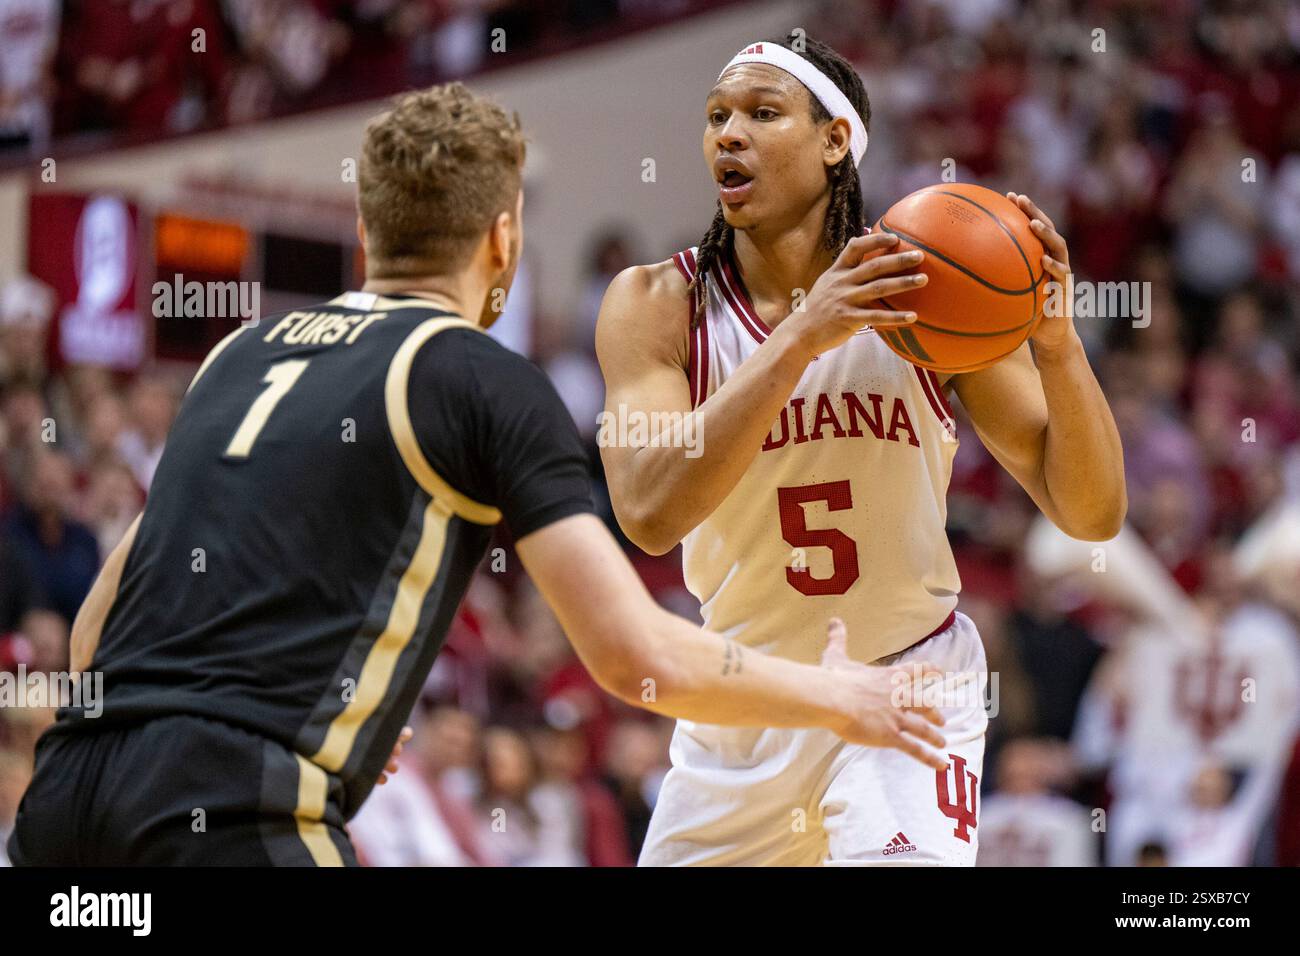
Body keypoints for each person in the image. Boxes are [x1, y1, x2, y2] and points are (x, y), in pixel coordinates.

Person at [7, 81, 946, 867]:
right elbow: (635, 658)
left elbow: (100, 623)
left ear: (367, 236)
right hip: (224, 816)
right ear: (503, 238)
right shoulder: (482, 381)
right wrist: (842, 697)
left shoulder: (237, 356)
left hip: (61, 807)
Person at [596, 36, 1125, 866]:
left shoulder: (928, 292)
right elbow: (648, 515)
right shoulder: (658, 303)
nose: (728, 134)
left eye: (762, 115)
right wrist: (802, 337)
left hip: (907, 684)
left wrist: (1058, 350)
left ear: (835, 141)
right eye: (716, 117)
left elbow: (1091, 513)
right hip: (748, 702)